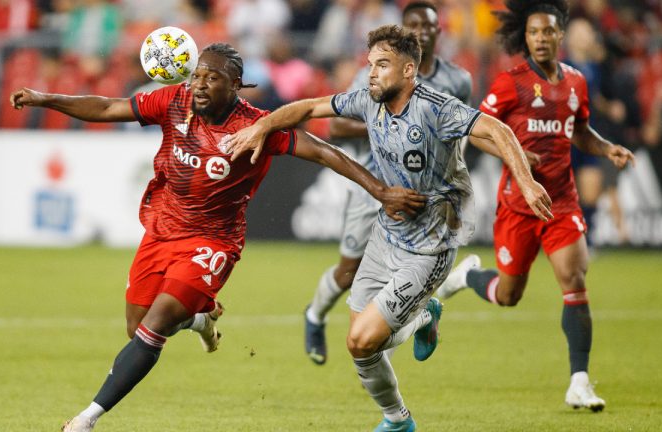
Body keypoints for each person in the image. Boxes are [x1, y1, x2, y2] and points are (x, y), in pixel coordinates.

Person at [10, 42, 425, 432]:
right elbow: (106, 106)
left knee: (153, 327)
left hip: (213, 242)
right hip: (161, 232)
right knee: (136, 327)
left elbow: (321, 150)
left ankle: (86, 418)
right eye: (197, 76)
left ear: (235, 85)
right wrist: (47, 98)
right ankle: (199, 319)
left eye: (212, 78)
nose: (200, 85)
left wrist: (381, 191)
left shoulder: (256, 126)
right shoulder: (174, 101)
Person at [225, 24, 552, 431]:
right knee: (361, 346)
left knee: (363, 340)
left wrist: (526, 179)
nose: (372, 73)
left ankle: (401, 409)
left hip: (431, 244)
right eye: (370, 64)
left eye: (382, 65)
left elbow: (498, 130)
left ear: (409, 70)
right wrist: (262, 126)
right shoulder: (367, 101)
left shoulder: (436, 107)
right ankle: (400, 408)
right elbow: (309, 108)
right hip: (387, 233)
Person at [435, 0, 635, 412]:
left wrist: (606, 148)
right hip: (519, 204)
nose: (541, 39)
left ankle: (579, 381)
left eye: (547, 32)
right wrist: (515, 156)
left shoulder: (577, 82)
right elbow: (476, 133)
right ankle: (467, 277)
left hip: (561, 200)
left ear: (560, 34)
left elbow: (578, 131)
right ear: (524, 38)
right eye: (533, 33)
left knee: (573, 277)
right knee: (508, 295)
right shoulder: (511, 83)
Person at [303, 0, 475, 366]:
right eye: (412, 25)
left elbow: (462, 132)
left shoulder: (456, 80)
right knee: (348, 270)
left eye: (427, 26)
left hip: (422, 193)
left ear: (437, 32)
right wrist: (392, 117)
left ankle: (415, 316)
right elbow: (335, 124)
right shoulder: (379, 71)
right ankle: (315, 315)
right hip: (373, 183)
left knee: (394, 296)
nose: (420, 31)